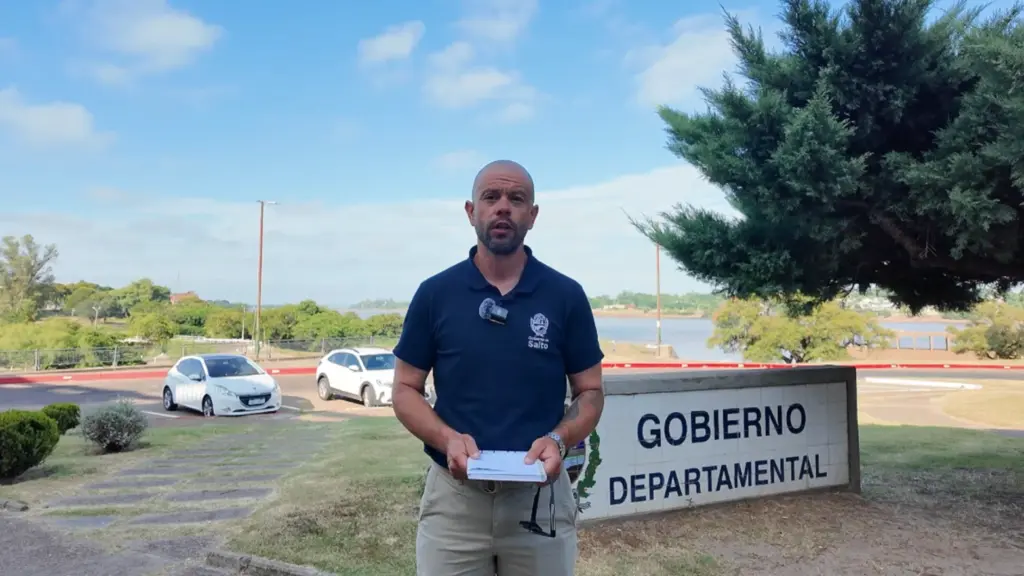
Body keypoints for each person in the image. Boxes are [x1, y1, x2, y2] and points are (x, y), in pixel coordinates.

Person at [391, 159, 606, 576]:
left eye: (516, 199)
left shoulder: (565, 295)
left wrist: (559, 439)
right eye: (491, 197)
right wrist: (446, 438)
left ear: (533, 215)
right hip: (454, 502)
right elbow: (404, 389)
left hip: (539, 501)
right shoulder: (435, 294)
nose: (503, 206)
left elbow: (591, 391)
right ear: (471, 212)